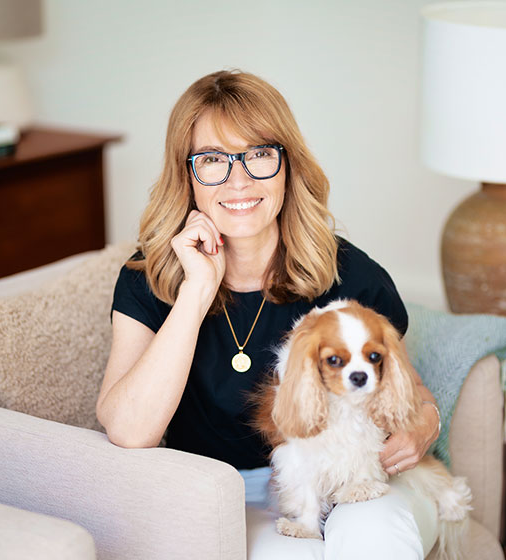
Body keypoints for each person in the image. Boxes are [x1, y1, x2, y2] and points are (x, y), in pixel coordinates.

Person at [96, 70, 442, 559]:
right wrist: (196, 291)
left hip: (347, 477)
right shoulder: (147, 277)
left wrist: (426, 424)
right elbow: (130, 431)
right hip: (221, 495)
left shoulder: (349, 273)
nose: (238, 180)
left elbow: (414, 395)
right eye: (212, 159)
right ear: (186, 176)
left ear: (287, 165)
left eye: (258, 154)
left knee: (375, 534)